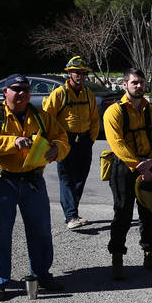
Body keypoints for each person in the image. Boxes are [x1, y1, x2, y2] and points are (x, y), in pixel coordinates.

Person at [0, 74, 69, 301]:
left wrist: (57, 149)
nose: (22, 93)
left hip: (33, 181)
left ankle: (42, 274)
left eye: (25, 89)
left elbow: (62, 138)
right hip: (3, 181)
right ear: (5, 92)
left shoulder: (42, 117)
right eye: (16, 89)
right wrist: (11, 142)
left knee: (41, 231)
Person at [104, 68, 152, 279]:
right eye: (134, 83)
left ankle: (150, 255)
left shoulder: (151, 112)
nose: (139, 86)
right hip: (124, 168)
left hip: (149, 166)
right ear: (125, 85)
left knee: (149, 213)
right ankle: (117, 259)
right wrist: (138, 165)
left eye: (141, 82)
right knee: (122, 214)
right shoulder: (114, 111)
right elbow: (117, 144)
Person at [42, 55, 99, 230]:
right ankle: (70, 216)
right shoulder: (59, 94)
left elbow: (95, 119)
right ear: (69, 74)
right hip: (65, 142)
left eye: (83, 73)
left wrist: (91, 139)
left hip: (84, 141)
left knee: (80, 178)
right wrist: (53, 142)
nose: (80, 76)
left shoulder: (88, 94)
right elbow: (47, 118)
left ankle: (73, 212)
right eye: (77, 73)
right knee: (66, 178)